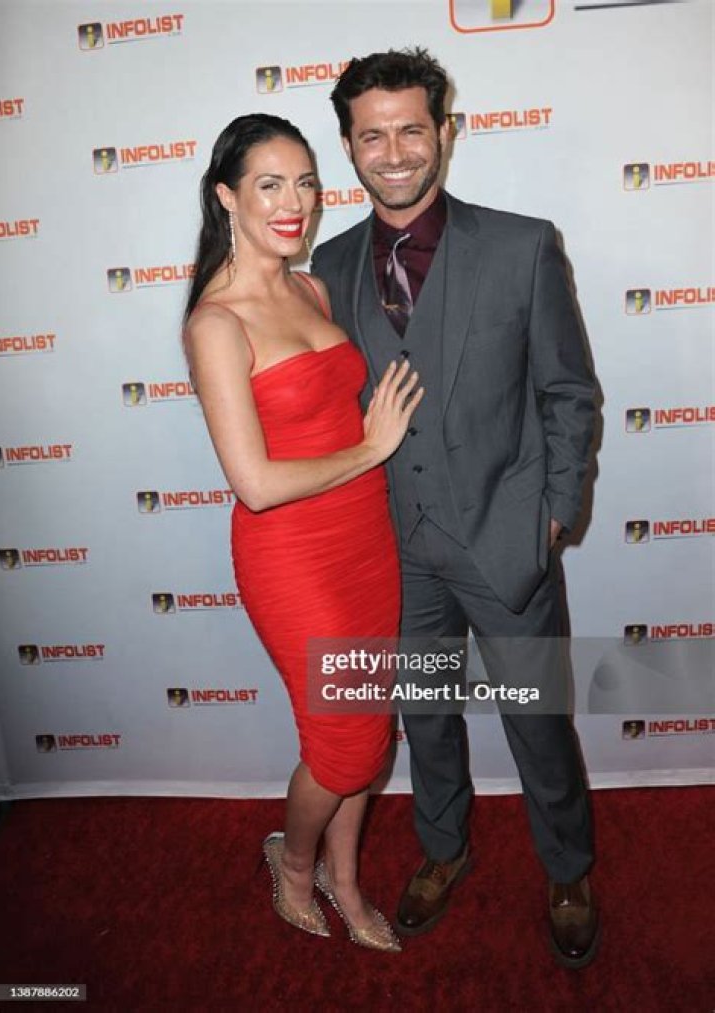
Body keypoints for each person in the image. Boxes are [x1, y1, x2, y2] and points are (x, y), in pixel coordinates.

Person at [312, 49, 600, 967]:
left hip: (506, 538)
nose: (393, 152)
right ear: (348, 146)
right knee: (427, 714)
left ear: (445, 131)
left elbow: (568, 391)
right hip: (393, 546)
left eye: (411, 129)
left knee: (536, 719)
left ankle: (568, 867)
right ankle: (443, 847)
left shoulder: (521, 246)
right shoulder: (328, 264)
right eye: (372, 135)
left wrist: (554, 511)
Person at [183, 113, 423, 952]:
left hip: (366, 541)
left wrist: (370, 457)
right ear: (227, 197)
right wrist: (370, 448)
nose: (295, 203)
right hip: (293, 556)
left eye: (307, 183)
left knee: (370, 731)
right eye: (270, 185)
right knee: (344, 747)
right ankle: (293, 863)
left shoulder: (313, 289)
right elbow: (254, 483)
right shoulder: (216, 324)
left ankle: (344, 879)